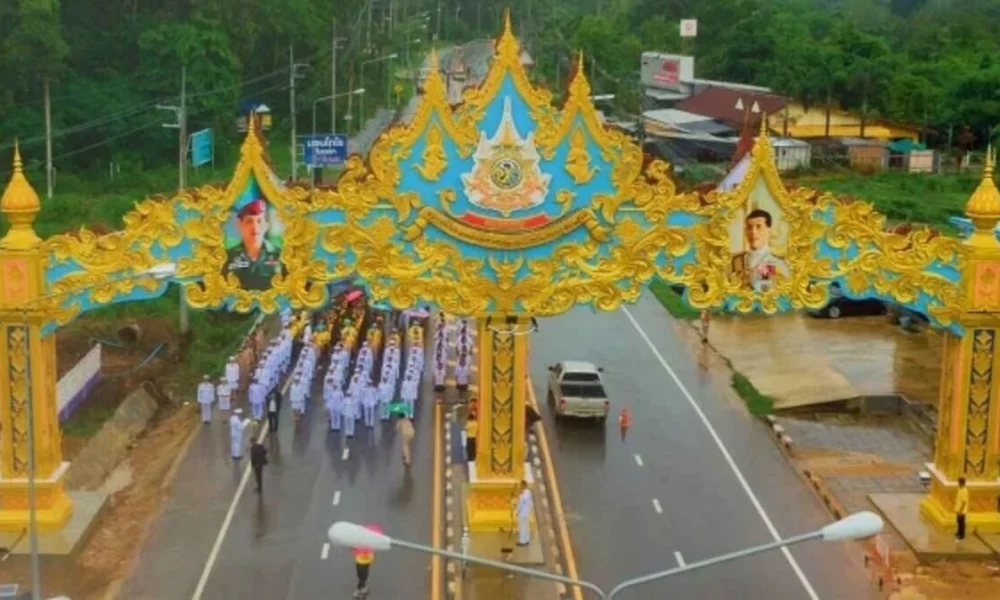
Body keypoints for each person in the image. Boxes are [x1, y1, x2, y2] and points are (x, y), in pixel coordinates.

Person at [221, 197, 284, 291]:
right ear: (239, 225)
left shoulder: (281, 256)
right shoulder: (227, 257)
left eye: (259, 221)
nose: (255, 227)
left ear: (266, 226)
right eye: (249, 221)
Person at [728, 208, 790, 292]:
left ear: (769, 230)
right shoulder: (736, 261)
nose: (753, 232)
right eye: (749, 227)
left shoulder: (778, 262)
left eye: (759, 227)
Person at [515, 480, 533, 546]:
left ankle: (522, 541)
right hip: (527, 512)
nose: (519, 486)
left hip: (522, 513)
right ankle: (527, 540)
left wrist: (517, 511)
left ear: (523, 485)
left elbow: (520, 504)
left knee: (522, 527)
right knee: (526, 526)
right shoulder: (529, 492)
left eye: (520, 485)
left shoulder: (523, 494)